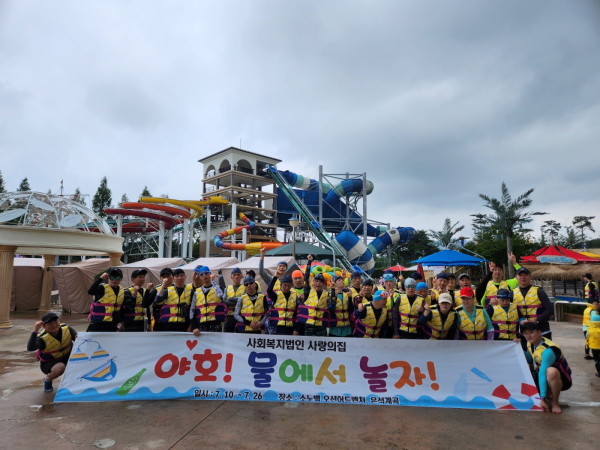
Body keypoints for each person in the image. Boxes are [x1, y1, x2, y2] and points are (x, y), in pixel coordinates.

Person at [521, 321, 572, 414]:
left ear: (539, 332)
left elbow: (542, 373)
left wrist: (542, 398)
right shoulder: (531, 343)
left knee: (551, 371)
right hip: (543, 376)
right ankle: (549, 393)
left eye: (531, 332)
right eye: (525, 333)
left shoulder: (548, 350)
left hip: (562, 380)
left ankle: (555, 402)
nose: (528, 336)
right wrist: (517, 347)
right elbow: (529, 359)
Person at [27, 312, 77, 392]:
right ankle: (48, 380)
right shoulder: (42, 338)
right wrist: (36, 330)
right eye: (50, 324)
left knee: (83, 360)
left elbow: (80, 341)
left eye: (56, 322)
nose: (54, 325)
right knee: (60, 368)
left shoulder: (67, 329)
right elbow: (30, 348)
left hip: (68, 357)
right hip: (50, 362)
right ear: (44, 326)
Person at [513, 267, 553, 340]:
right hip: (524, 332)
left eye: (525, 275)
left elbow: (550, 309)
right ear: (516, 277)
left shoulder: (539, 291)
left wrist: (536, 321)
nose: (523, 277)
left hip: (542, 330)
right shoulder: (512, 293)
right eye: (520, 275)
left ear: (530, 277)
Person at [295, 254, 329, 337]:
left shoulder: (327, 294)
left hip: (321, 327)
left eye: (320, 282)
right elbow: (306, 278)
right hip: (309, 326)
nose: (318, 283)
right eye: (316, 281)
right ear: (313, 282)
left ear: (323, 284)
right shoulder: (308, 291)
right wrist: (309, 262)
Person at [190, 266, 226, 333]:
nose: (204, 276)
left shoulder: (216, 288)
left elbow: (220, 295)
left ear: (210, 274)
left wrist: (212, 281)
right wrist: (194, 326)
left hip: (215, 324)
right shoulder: (196, 292)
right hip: (202, 325)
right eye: (202, 274)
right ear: (200, 277)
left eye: (206, 273)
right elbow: (192, 310)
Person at [87, 267, 124, 332]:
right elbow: (90, 291)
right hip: (99, 324)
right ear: (108, 278)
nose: (114, 280)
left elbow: (122, 309)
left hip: (113, 324)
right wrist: (100, 278)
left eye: (117, 278)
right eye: (112, 277)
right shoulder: (102, 288)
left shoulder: (122, 291)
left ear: (121, 279)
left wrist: (122, 323)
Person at [144, 267, 173, 332]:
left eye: (168, 276)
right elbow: (145, 304)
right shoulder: (156, 290)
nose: (166, 278)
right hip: (159, 323)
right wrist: (148, 290)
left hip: (173, 323)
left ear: (173, 277)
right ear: (160, 278)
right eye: (163, 276)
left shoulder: (177, 288)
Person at [223, 267, 245, 333]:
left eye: (238, 275)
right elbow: (224, 301)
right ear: (231, 277)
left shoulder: (245, 288)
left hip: (241, 316)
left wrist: (230, 299)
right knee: (227, 335)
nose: (236, 276)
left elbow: (244, 301)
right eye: (234, 275)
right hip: (229, 316)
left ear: (241, 277)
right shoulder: (227, 288)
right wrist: (238, 301)